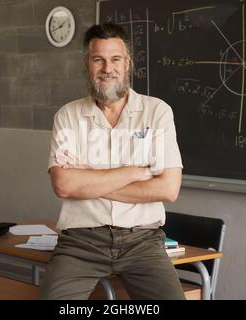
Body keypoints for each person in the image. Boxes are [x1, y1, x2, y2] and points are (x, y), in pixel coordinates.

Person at [39, 22, 185, 300]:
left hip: (142, 242)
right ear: (87, 65)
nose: (108, 68)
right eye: (99, 60)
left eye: (115, 59)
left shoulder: (157, 112)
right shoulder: (67, 116)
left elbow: (167, 190)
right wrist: (135, 172)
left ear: (127, 63)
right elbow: (64, 186)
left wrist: (90, 178)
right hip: (80, 243)